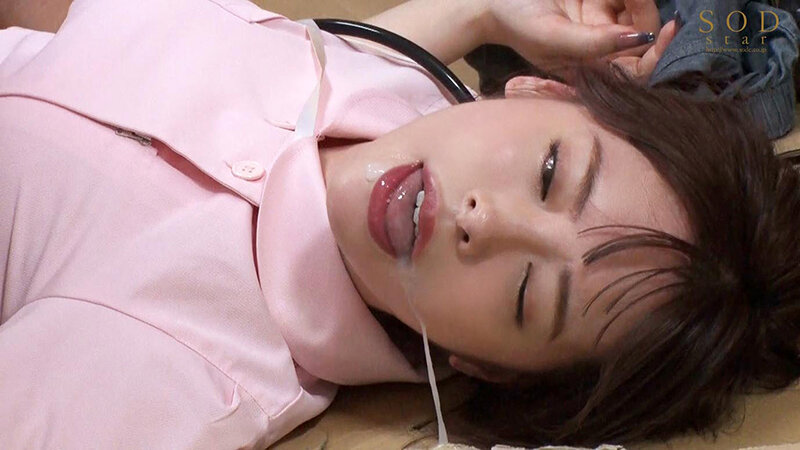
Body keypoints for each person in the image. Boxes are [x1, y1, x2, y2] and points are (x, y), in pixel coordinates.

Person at [0, 1, 798, 449]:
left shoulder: (181, 383)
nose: (486, 220)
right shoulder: (399, 86)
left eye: (527, 294)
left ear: (491, 368)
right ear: (544, 92)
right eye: (551, 172)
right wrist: (478, 12)